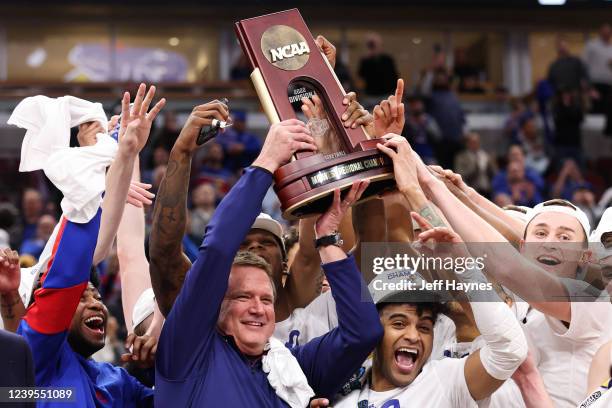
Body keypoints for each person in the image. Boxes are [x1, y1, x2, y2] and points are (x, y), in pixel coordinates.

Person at [154, 112, 383, 406]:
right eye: (243, 296)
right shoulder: (188, 350)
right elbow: (218, 249)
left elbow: (365, 332)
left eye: (265, 299)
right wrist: (265, 163)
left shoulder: (288, 367)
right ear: (215, 305)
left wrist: (326, 239)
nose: (258, 309)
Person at [13, 84, 165, 407]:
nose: (96, 302)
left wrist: (123, 153)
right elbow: (71, 267)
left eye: (95, 294)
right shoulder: (34, 359)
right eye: (82, 297)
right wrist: (101, 158)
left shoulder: (117, 380)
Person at [548, 36, 590, 163]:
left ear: (568, 47)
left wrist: (586, 89)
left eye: (564, 45)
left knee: (574, 120)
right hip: (558, 99)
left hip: (575, 96)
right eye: (560, 46)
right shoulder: (554, 65)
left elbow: (585, 78)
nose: (562, 48)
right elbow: (550, 83)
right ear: (557, 48)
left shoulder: (576, 62)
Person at [583, 24, 612, 136]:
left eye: (609, 32)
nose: (607, 34)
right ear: (600, 32)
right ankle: (595, 136)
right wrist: (587, 85)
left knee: (608, 110)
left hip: (609, 84)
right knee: (596, 109)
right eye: (605, 32)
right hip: (595, 84)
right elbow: (584, 65)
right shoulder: (592, 45)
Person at [453, 132, 496, 196]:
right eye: (473, 142)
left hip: (487, 190)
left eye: (477, 142)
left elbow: (493, 173)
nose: (475, 144)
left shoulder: (485, 155)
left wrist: (492, 164)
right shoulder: (461, 157)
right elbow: (460, 175)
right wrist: (475, 168)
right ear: (467, 143)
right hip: (471, 190)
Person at [402, 95, 441, 165]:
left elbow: (438, 137)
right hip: (410, 155)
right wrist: (410, 126)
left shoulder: (428, 119)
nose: (416, 106)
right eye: (413, 104)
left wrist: (425, 125)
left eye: (418, 104)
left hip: (428, 155)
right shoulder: (405, 120)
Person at [358, 32, 398, 97]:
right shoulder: (365, 60)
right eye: (371, 45)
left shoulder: (387, 59)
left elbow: (394, 76)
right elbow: (361, 77)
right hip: (371, 94)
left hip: (387, 94)